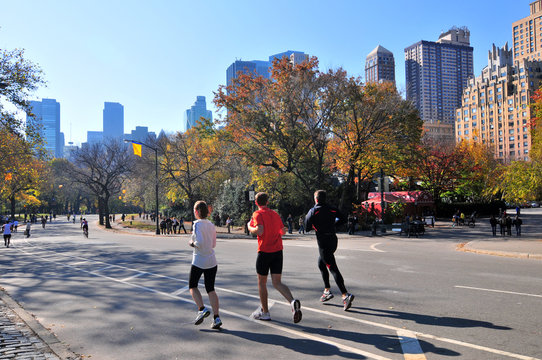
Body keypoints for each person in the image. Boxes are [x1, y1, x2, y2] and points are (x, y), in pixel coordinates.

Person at [247, 192, 302, 323]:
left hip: (264, 251)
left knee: (262, 283)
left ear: (256, 203)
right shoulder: (275, 214)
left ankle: (265, 312)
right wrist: (274, 232)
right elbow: (282, 231)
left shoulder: (257, 214)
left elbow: (259, 231)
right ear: (267, 202)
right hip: (278, 251)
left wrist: (250, 227)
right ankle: (292, 302)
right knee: (277, 282)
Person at [305, 190, 355, 311]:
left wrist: (316, 225)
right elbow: (343, 219)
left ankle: (345, 295)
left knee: (332, 268)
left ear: (316, 199)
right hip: (333, 240)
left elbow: (306, 228)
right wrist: (333, 225)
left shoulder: (313, 211)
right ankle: (327, 290)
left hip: (323, 242)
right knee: (321, 264)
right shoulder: (332, 209)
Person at [188, 201, 222, 329]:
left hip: (199, 260)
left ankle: (201, 308)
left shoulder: (197, 224)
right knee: (210, 289)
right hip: (211, 260)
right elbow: (213, 244)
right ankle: (216, 317)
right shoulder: (211, 225)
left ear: (196, 211)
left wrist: (191, 243)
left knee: (192, 285)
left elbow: (199, 242)